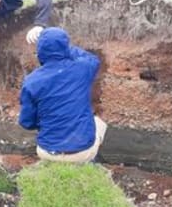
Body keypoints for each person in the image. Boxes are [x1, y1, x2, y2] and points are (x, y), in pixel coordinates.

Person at [18, 27, 107, 163]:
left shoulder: (31, 81)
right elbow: (92, 59)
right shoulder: (82, 68)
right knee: (99, 123)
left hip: (47, 152)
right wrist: (64, 47)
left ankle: (55, 164)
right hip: (81, 152)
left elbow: (27, 122)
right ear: (66, 47)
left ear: (39, 51)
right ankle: (89, 164)